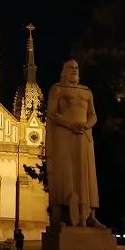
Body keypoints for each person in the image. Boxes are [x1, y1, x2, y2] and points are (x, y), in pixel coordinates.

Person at [46, 59, 105, 227]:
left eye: (76, 68)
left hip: (83, 136)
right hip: (64, 135)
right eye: (70, 67)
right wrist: (70, 124)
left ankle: (89, 215)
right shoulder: (57, 89)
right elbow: (52, 113)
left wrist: (86, 125)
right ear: (63, 71)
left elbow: (93, 115)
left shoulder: (87, 91)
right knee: (64, 173)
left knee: (86, 174)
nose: (74, 70)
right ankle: (60, 215)